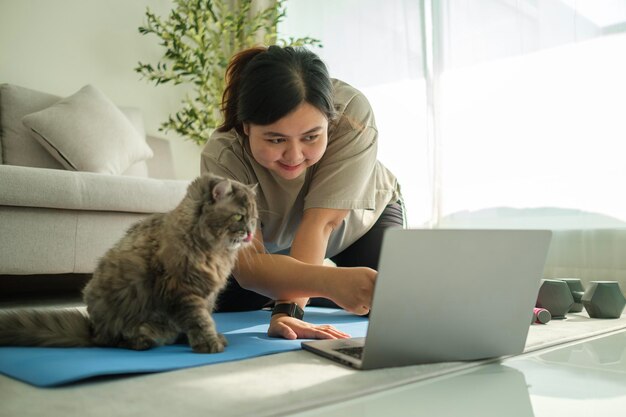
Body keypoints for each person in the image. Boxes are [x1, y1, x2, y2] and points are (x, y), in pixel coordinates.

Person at [201, 45, 404, 340]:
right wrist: (324, 284)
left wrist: (289, 310)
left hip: (358, 224)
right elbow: (248, 264)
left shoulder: (351, 113)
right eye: (276, 139)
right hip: (273, 245)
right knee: (221, 300)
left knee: (395, 306)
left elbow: (321, 223)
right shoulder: (223, 157)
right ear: (246, 127)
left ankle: (314, 292)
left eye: (311, 137)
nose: (294, 156)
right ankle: (319, 293)